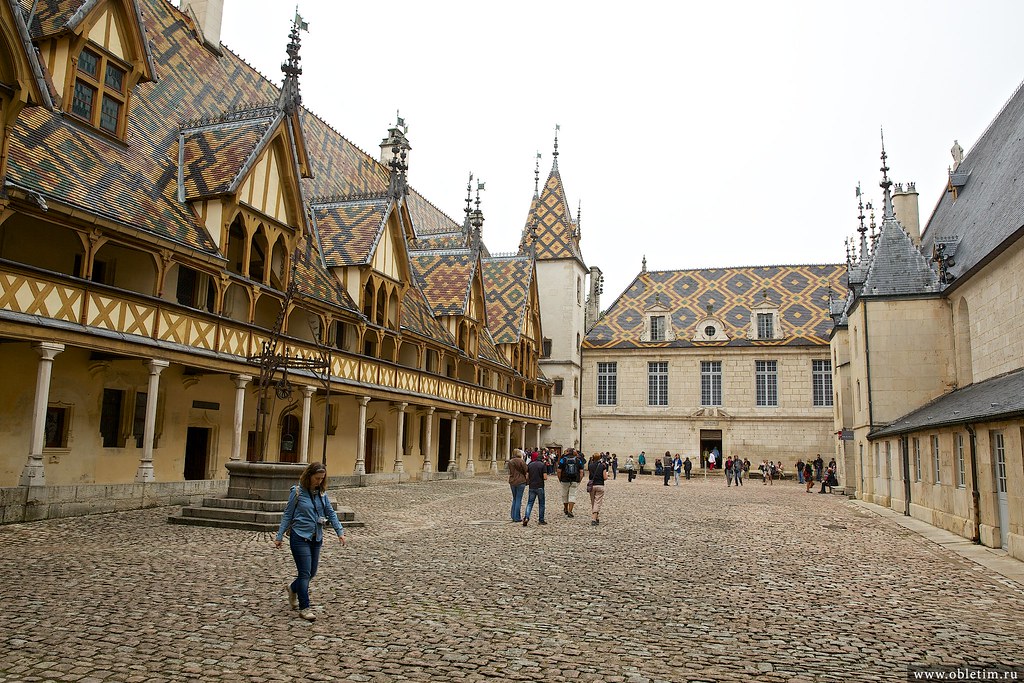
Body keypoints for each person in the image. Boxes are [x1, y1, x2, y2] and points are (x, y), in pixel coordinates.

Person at [275, 462, 346, 622]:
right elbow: (287, 514)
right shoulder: (297, 492)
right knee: (305, 573)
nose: (319, 481)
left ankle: (293, 588)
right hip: (299, 537)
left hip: (316, 537)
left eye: (322, 479)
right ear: (309, 476)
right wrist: (279, 536)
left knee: (311, 572)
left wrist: (339, 532)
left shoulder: (322, 494)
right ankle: (304, 608)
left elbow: (330, 513)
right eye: (317, 478)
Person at [557, 449, 585, 517]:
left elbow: (559, 470)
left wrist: (560, 479)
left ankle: (566, 509)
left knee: (564, 495)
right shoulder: (578, 460)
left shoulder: (563, 460)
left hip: (565, 479)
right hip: (574, 479)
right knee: (572, 495)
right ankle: (570, 510)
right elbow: (581, 471)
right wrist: (579, 480)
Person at [523, 452, 548, 526]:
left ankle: (526, 517)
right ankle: (541, 519)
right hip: (540, 486)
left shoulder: (530, 465)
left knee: (530, 503)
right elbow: (545, 477)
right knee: (541, 504)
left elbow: (527, 476)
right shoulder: (542, 465)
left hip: (532, 486)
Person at [508, 448, 528, 523]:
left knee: (514, 498)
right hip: (520, 481)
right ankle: (517, 517)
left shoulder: (510, 461)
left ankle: (513, 515)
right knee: (518, 499)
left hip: (512, 481)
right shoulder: (521, 461)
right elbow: (525, 470)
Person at [587, 452, 608, 526]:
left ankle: (596, 517)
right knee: (597, 502)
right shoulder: (603, 466)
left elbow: (590, 476)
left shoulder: (590, 466)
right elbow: (605, 477)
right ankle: (593, 518)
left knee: (593, 502)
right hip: (600, 485)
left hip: (592, 486)